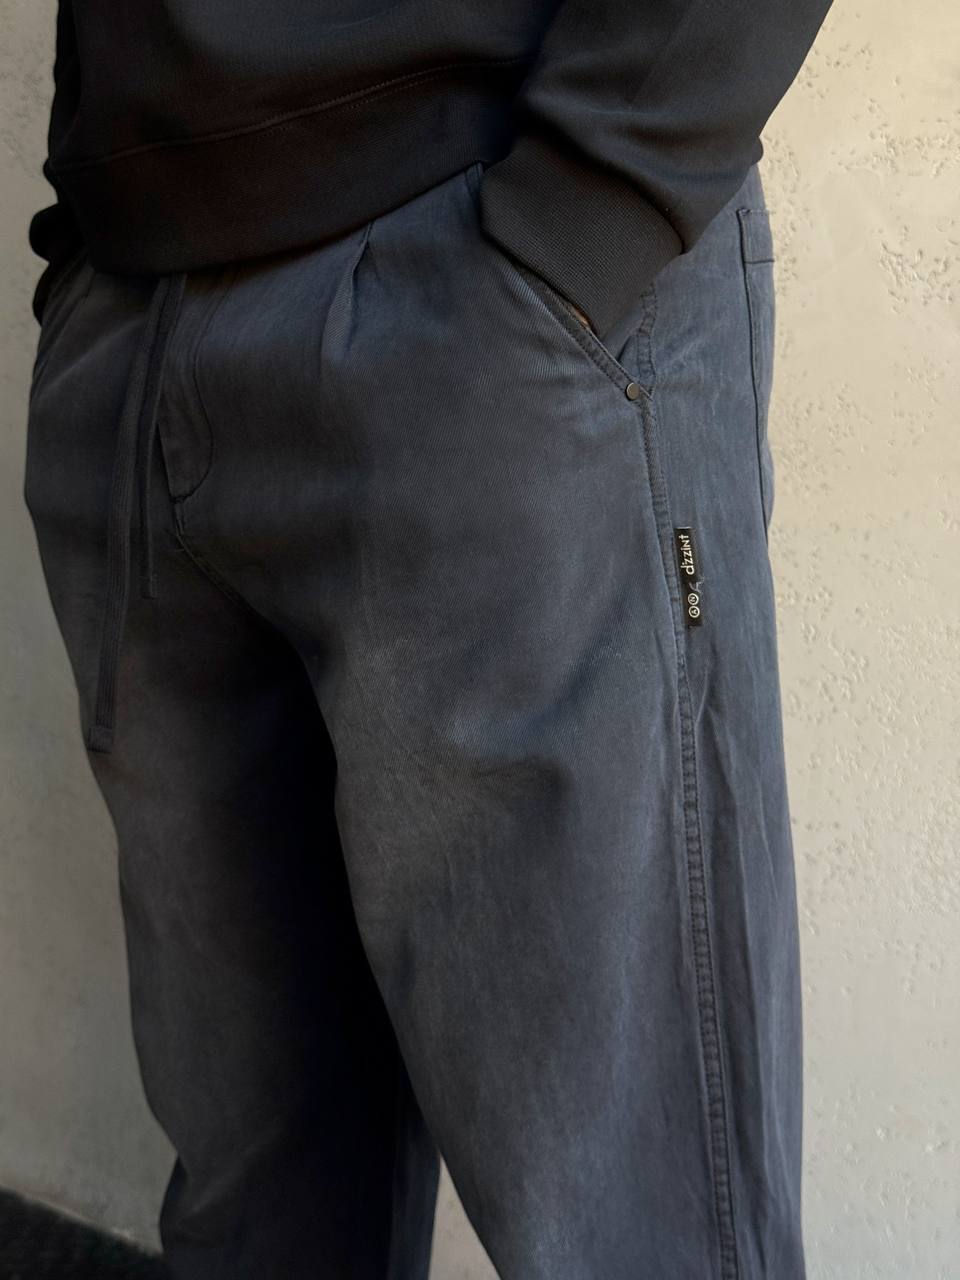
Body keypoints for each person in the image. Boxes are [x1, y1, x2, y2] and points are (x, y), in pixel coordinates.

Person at [23, 2, 834, 1276]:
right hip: (138, 304)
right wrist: (88, 235)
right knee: (258, 1210)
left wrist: (593, 208)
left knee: (639, 1224)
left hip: (493, 274)